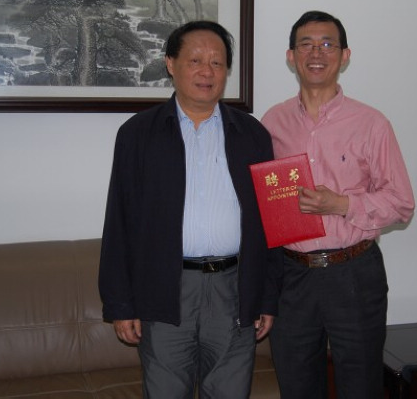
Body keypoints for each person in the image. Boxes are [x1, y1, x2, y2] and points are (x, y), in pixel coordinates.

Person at [99, 20, 283, 399]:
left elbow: (271, 224)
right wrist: (120, 304)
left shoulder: (253, 135)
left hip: (235, 288)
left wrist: (267, 297)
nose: (207, 72)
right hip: (165, 289)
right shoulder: (138, 134)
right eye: (195, 60)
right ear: (171, 63)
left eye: (217, 63)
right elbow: (119, 223)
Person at [261, 10, 415, 399]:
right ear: (291, 56)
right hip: (292, 276)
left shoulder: (371, 123)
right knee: (297, 386)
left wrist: (341, 203)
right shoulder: (273, 122)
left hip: (353, 273)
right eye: (306, 44)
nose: (317, 53)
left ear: (345, 56)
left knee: (360, 386)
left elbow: (401, 204)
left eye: (327, 44)